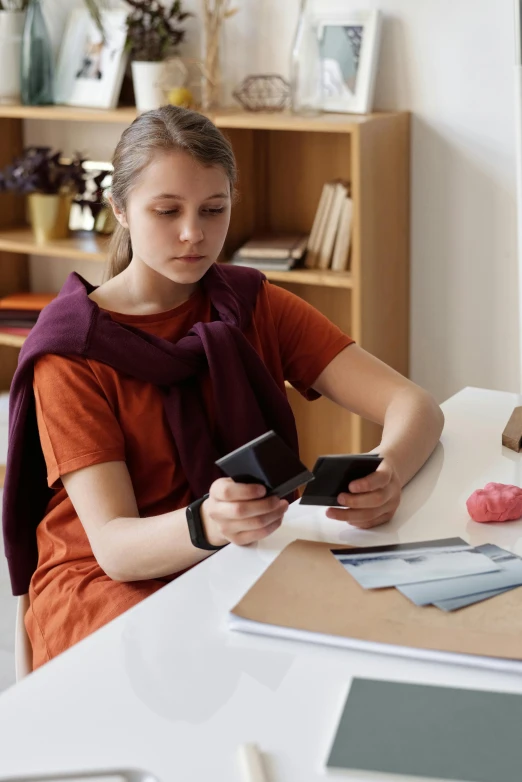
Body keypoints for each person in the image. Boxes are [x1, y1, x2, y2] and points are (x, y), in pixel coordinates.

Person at [11, 106, 443, 670]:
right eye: (167, 211)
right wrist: (208, 521)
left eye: (214, 210)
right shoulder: (73, 351)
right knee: (201, 667)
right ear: (119, 208)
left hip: (237, 546)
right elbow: (115, 547)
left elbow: (415, 405)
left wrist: (388, 470)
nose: (194, 233)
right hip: (105, 579)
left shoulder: (252, 302)